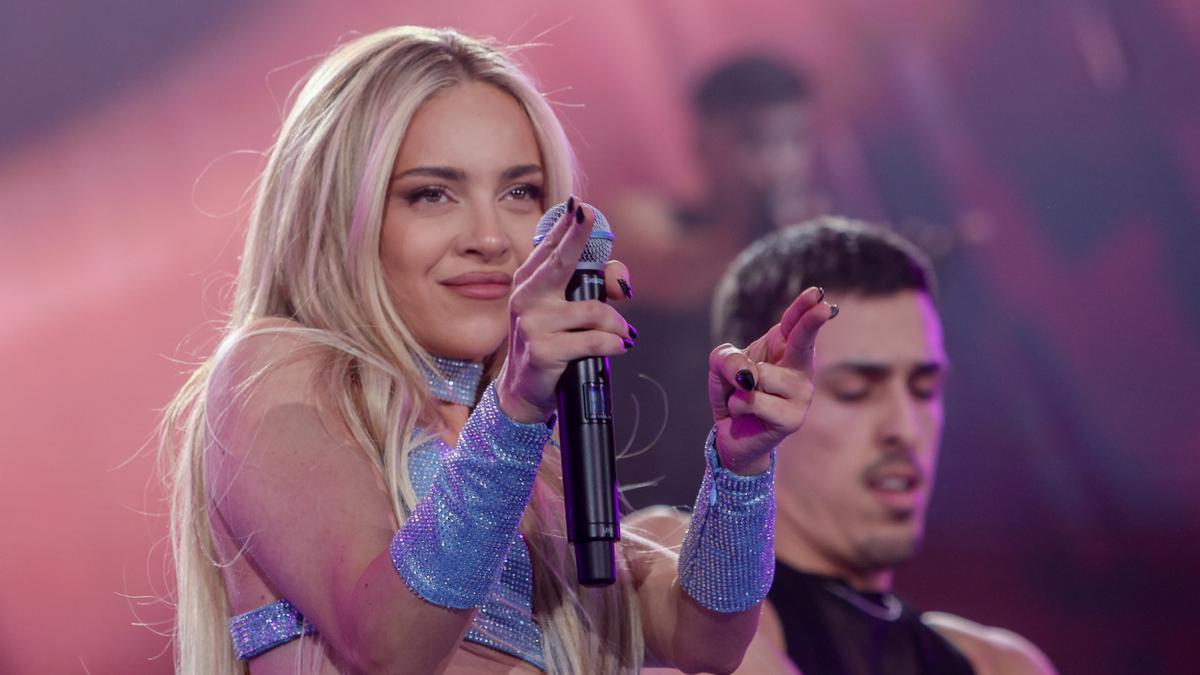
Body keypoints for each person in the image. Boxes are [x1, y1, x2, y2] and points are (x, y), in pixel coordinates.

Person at [161, 26, 836, 674]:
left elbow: (704, 639)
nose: (490, 236)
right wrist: (515, 408)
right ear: (341, 211)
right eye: (432, 194)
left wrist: (742, 471)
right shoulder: (279, 369)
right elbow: (391, 644)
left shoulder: (532, 457)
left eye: (519, 192)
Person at [639, 217, 1056, 674]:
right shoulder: (671, 573)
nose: (905, 428)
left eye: (923, 389)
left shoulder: (998, 664)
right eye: (856, 389)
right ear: (755, 391)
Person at [609, 55, 825, 512]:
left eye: (793, 140)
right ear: (703, 145)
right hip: (644, 499)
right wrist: (765, 229)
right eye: (753, 140)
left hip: (763, 504)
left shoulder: (809, 250)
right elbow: (671, 275)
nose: (777, 162)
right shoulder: (647, 221)